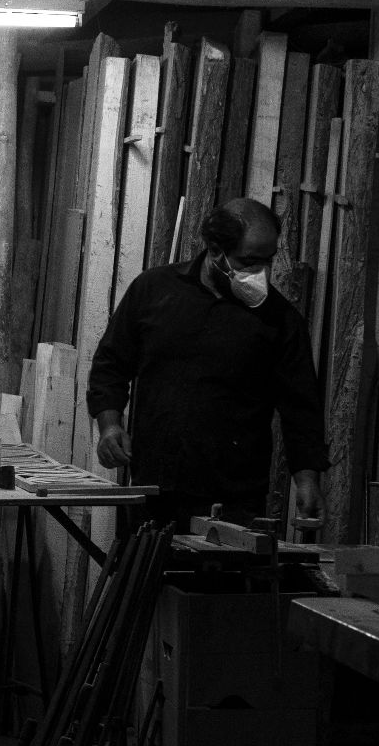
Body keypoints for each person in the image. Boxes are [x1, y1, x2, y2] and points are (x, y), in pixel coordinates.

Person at [87, 198, 328, 531]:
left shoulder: (280, 321)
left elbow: (301, 409)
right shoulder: (154, 290)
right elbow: (111, 364)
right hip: (154, 487)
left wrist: (307, 480)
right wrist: (110, 425)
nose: (260, 272)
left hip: (234, 500)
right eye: (249, 261)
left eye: (267, 260)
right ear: (216, 250)